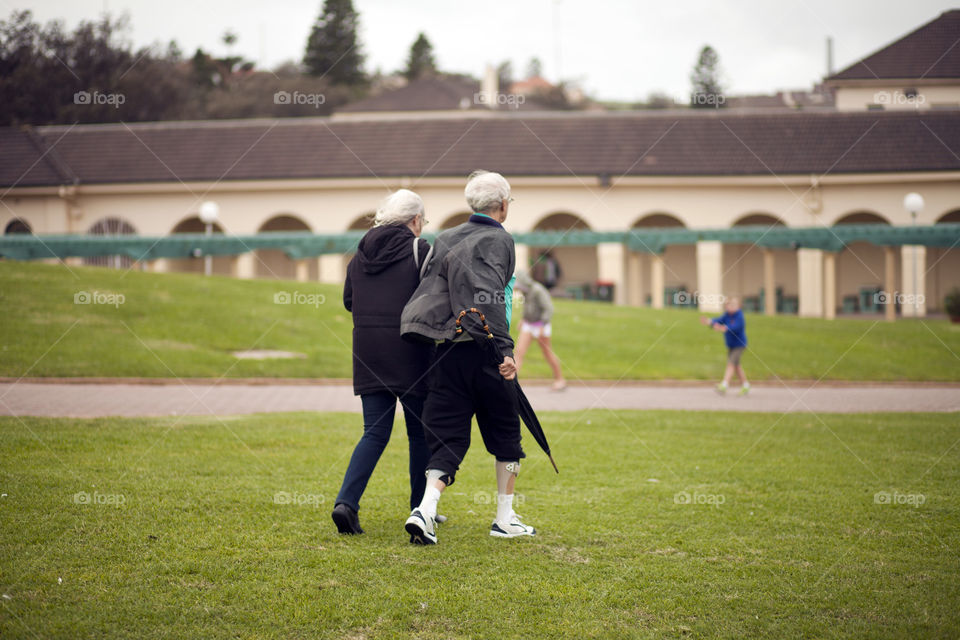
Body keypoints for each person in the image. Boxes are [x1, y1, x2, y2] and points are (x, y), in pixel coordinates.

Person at [399, 170, 535, 544]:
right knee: (507, 434)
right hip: (486, 351)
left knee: (446, 437)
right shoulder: (499, 238)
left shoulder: (444, 237)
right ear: (503, 206)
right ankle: (504, 519)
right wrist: (504, 351)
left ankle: (424, 510)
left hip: (446, 354)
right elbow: (489, 293)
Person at [331, 189, 435, 535]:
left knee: (373, 433)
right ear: (415, 220)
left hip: (368, 351)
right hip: (412, 351)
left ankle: (346, 502)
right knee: (419, 434)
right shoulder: (420, 249)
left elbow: (349, 300)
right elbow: (432, 300)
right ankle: (420, 509)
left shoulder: (360, 253)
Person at [513, 271, 566, 391]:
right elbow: (528, 307)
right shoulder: (525, 292)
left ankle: (560, 380)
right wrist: (523, 319)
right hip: (529, 324)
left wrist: (542, 325)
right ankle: (512, 383)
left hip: (541, 325)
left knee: (547, 353)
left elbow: (548, 308)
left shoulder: (538, 290)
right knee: (519, 352)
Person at [700, 297, 750, 396]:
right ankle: (745, 385)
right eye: (729, 305)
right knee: (736, 366)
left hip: (739, 345)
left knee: (731, 363)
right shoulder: (726, 315)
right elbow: (718, 321)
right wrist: (709, 321)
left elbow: (735, 327)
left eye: (734, 305)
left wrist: (724, 328)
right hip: (731, 345)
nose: (731, 307)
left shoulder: (739, 316)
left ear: (738, 306)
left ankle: (724, 384)